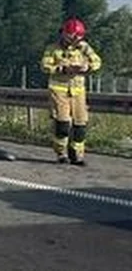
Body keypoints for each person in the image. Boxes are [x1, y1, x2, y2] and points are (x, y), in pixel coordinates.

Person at [40, 18, 102, 165]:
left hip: (78, 91)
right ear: (64, 34)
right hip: (59, 90)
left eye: (78, 36)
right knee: (63, 123)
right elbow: (44, 66)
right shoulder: (53, 48)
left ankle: (77, 153)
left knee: (80, 124)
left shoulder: (84, 48)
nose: (75, 40)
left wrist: (87, 67)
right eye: (71, 36)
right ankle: (61, 153)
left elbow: (97, 61)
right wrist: (62, 69)